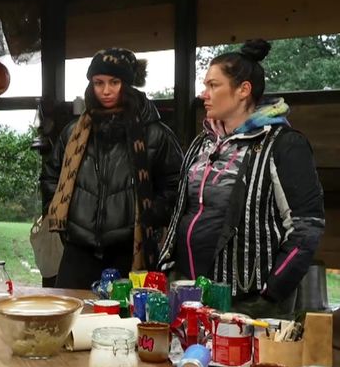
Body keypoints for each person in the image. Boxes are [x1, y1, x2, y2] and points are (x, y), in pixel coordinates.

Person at [158, 39, 325, 318]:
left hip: (248, 301)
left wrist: (271, 293)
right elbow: (181, 211)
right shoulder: (202, 144)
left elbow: (306, 227)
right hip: (189, 292)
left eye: (213, 85)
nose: (204, 94)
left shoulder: (283, 144)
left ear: (243, 90)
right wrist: (168, 267)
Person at [41, 47, 183, 289]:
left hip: (129, 252)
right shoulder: (74, 132)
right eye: (98, 83)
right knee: (71, 312)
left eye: (114, 82)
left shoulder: (155, 133)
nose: (105, 91)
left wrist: (149, 214)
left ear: (127, 85)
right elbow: (50, 175)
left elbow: (175, 185)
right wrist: (64, 215)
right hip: (78, 251)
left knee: (125, 313)